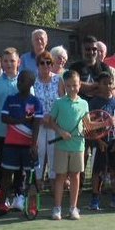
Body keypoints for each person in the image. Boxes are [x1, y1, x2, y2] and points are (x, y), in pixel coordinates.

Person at [0, 70, 43, 216]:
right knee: (6, 174)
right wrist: (21, 120)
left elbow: (36, 124)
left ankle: (31, 204)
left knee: (31, 176)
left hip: (28, 145)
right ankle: (2, 203)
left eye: (23, 80)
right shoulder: (10, 99)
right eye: (19, 80)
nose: (19, 83)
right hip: (11, 144)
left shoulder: (36, 102)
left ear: (31, 84)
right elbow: (4, 118)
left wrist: (33, 144)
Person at [0, 47, 26, 211]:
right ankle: (5, 197)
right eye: (6, 61)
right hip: (1, 132)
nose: (9, 64)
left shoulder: (25, 80)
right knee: (3, 166)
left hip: (22, 133)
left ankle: (19, 196)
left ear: (18, 62)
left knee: (20, 167)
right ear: (2, 62)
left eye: (12, 61)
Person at [70, 35, 111, 189]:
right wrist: (96, 86)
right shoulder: (76, 67)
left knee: (102, 148)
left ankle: (98, 185)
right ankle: (78, 181)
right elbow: (77, 85)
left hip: (100, 114)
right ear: (82, 50)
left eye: (94, 49)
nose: (91, 52)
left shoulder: (104, 67)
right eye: (88, 49)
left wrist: (88, 86)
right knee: (83, 149)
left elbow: (108, 87)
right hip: (80, 114)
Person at [49, 70, 89, 220]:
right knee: (60, 176)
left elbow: (88, 124)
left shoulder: (84, 104)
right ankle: (57, 208)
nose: (72, 88)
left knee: (75, 176)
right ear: (64, 86)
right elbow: (51, 121)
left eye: (75, 85)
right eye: (68, 86)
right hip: (61, 146)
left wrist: (106, 122)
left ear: (80, 85)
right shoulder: (59, 102)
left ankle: (73, 208)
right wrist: (61, 132)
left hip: (78, 146)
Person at [33, 51, 65, 192]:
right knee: (39, 152)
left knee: (53, 152)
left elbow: (63, 102)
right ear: (38, 65)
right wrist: (39, 118)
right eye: (42, 62)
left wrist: (52, 118)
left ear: (52, 65)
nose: (45, 65)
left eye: (48, 62)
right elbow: (30, 103)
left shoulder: (58, 80)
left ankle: (53, 182)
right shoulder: (33, 81)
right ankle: (38, 181)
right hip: (38, 123)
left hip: (54, 123)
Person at [87, 71, 115, 210]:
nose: (108, 86)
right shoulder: (94, 102)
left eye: (110, 83)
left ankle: (114, 198)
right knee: (97, 171)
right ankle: (95, 198)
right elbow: (89, 124)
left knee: (113, 170)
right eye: (104, 83)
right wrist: (99, 141)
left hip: (113, 143)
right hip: (100, 143)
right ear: (99, 84)